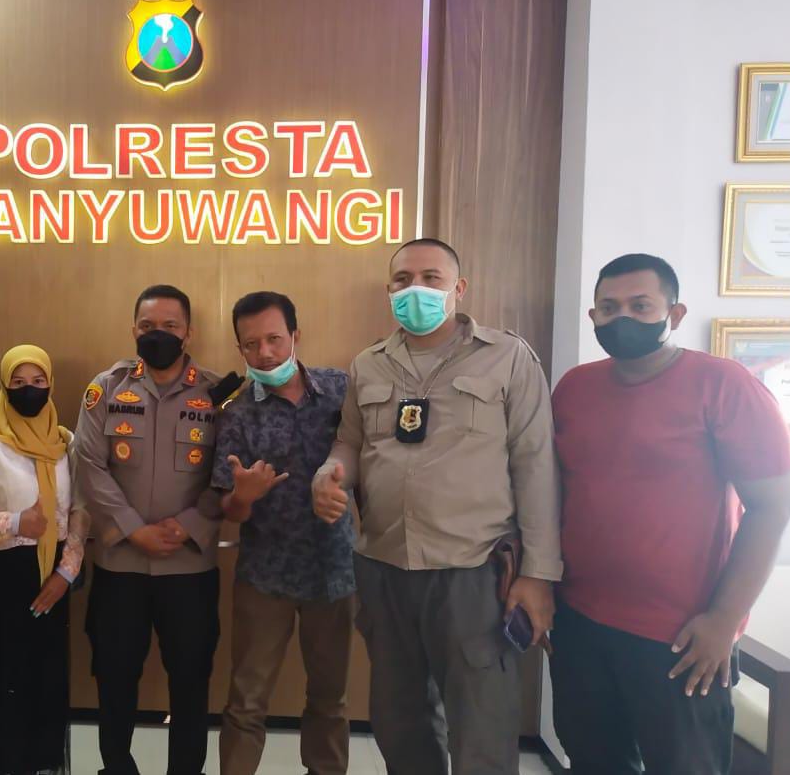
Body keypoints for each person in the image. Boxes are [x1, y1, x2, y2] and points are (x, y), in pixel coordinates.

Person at [312, 238, 561, 775]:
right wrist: (328, 474)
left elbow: (536, 465)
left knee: (482, 730)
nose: (415, 290)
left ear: (459, 288)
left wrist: (539, 575)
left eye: (431, 278)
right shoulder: (368, 364)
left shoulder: (507, 357)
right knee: (400, 724)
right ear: (389, 289)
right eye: (403, 280)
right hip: (385, 568)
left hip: (473, 572)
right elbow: (349, 443)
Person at [550, 253, 790, 775]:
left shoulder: (724, 384)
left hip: (682, 637)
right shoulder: (574, 388)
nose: (622, 318)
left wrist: (724, 620)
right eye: (609, 308)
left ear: (675, 314)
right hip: (581, 622)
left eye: (640, 306)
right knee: (592, 761)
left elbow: (774, 504)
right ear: (593, 316)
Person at [74, 284, 230, 775]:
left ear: (188, 332)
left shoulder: (217, 394)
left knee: (191, 681)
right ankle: (116, 767)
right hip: (120, 566)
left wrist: (187, 526)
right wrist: (132, 529)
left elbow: (226, 475)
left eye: (169, 326)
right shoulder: (107, 387)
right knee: (114, 677)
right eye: (147, 326)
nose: (157, 334)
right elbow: (88, 464)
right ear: (133, 329)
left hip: (190, 569)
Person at [214, 291, 354, 775]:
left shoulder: (340, 390)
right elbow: (228, 510)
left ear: (296, 335)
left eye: (274, 339)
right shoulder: (235, 412)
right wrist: (244, 496)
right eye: (250, 344)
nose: (265, 353)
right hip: (264, 577)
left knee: (330, 700)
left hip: (333, 572)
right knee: (246, 701)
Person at [0, 344, 89, 774]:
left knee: (45, 685)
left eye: (38, 381)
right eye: (19, 382)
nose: (30, 390)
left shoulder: (66, 444)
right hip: (3, 581)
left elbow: (81, 513)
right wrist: (14, 522)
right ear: (5, 388)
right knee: (4, 684)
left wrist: (67, 572)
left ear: (51, 384)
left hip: (53, 578)